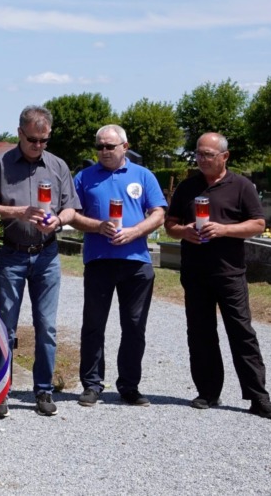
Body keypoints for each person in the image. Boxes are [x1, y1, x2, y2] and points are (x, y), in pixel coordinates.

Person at [164, 132, 271, 420]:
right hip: (195, 272)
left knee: (242, 333)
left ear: (225, 156)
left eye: (208, 155)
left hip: (229, 273)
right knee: (201, 333)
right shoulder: (188, 187)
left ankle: (257, 397)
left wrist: (224, 229)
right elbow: (170, 224)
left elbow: (257, 223)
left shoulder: (241, 185)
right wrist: (184, 232)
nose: (202, 159)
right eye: (199, 154)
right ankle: (208, 391)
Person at [0, 105, 79, 418]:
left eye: (44, 140)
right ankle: (0, 391)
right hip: (11, 253)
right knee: (5, 326)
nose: (39, 146)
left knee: (47, 326)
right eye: (33, 140)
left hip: (47, 253)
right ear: (20, 133)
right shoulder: (0, 163)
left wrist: (58, 222)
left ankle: (44, 390)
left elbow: (70, 209)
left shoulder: (58, 166)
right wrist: (17, 212)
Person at [70, 125, 166, 408]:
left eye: (109, 146)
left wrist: (135, 232)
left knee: (134, 327)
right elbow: (72, 215)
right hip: (99, 261)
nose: (103, 151)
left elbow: (159, 213)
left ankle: (129, 386)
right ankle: (91, 384)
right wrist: (98, 227)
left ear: (125, 146)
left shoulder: (143, 175)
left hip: (136, 262)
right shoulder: (84, 177)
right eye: (99, 146)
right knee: (93, 325)